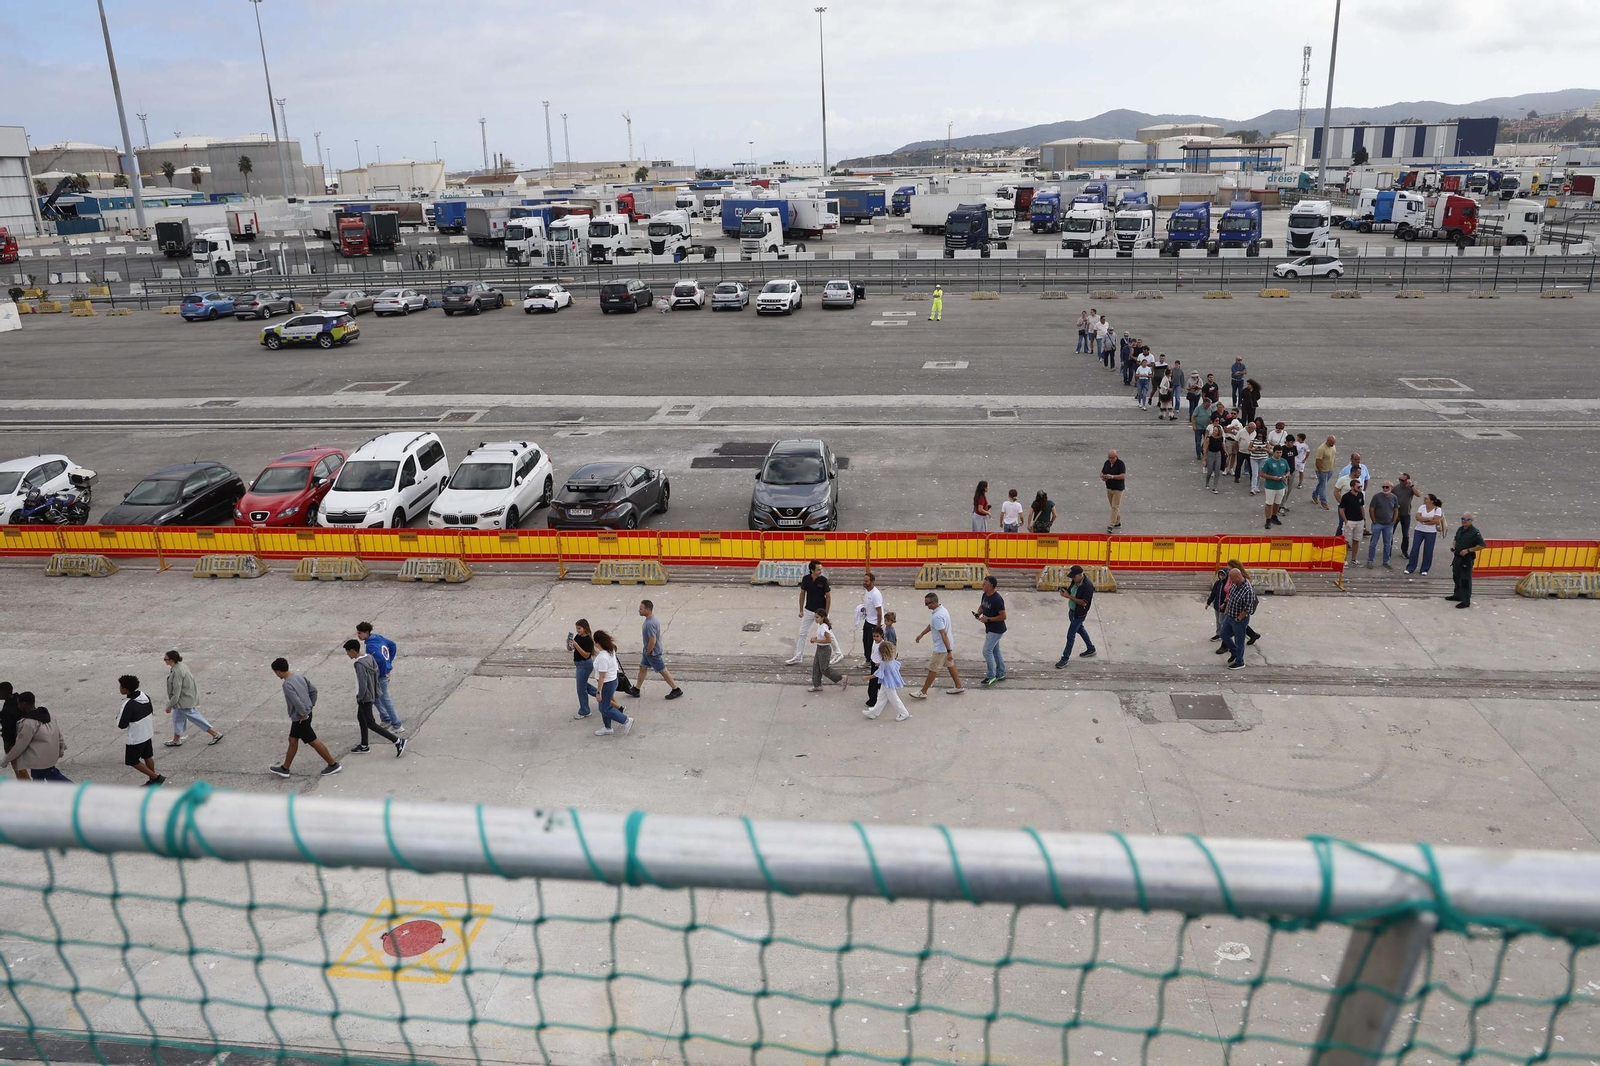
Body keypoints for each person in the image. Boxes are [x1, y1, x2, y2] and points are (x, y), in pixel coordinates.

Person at [268, 658, 341, 778]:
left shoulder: (287, 684)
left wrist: (303, 714)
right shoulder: (299, 676)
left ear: (278, 671)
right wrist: (310, 706)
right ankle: (285, 768)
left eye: (275, 672)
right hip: (305, 714)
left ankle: (333, 764)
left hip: (300, 718)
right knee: (292, 740)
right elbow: (314, 691)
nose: (276, 675)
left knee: (313, 741)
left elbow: (296, 701)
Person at [344, 639, 405, 756]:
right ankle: (364, 745)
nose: (348, 655)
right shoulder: (369, 657)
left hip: (364, 697)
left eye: (348, 652)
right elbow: (376, 673)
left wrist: (360, 697)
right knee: (361, 718)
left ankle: (397, 741)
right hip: (371, 693)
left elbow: (362, 683)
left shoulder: (359, 664)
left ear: (352, 651)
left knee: (370, 723)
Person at [0, 692, 69, 782]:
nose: (18, 706)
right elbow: (58, 733)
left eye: (19, 704)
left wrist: (5, 760)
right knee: (40, 779)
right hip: (49, 756)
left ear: (23, 704)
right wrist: (61, 748)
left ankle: (74, 788)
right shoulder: (49, 715)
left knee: (53, 777)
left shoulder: (28, 723)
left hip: (39, 760)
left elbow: (20, 746)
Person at [162, 650, 223, 748]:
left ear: (171, 660)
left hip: (183, 701)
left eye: (165, 659)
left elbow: (176, 692)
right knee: (177, 719)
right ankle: (176, 740)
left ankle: (215, 734)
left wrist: (169, 705)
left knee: (195, 717)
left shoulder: (177, 672)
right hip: (186, 698)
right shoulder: (181, 666)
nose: (164, 660)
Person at [910, 593, 963, 699]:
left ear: (934, 603)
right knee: (950, 665)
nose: (926, 606)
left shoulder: (937, 616)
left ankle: (923, 692)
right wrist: (922, 634)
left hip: (941, 648)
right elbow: (932, 625)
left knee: (933, 669)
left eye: (927, 603)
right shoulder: (943, 610)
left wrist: (949, 651)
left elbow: (943, 634)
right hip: (947, 645)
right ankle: (958, 686)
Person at [631, 599, 684, 700]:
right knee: (643, 667)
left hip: (652, 652)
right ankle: (636, 689)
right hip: (648, 651)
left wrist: (648, 651)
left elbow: (652, 640)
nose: (639, 610)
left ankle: (676, 689)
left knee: (662, 670)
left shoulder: (650, 623)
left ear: (647, 610)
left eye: (641, 609)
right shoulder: (652, 620)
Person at [117, 674, 164, 787]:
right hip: (147, 732)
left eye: (121, 686)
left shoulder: (128, 704)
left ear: (126, 689)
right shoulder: (145, 696)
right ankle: (152, 781)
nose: (119, 688)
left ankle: (155, 778)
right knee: (147, 756)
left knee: (132, 761)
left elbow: (122, 725)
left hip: (136, 737)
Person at [357, 621, 402, 732]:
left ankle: (396, 724)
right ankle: (386, 718)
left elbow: (379, 660)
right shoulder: (378, 638)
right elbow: (392, 645)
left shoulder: (371, 646)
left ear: (366, 632)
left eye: (360, 633)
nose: (358, 635)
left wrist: (384, 670)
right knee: (376, 698)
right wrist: (389, 662)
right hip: (383, 674)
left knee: (385, 699)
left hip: (380, 676)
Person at [787, 561, 831, 665]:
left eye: (821, 569)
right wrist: (801, 610)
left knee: (827, 633)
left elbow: (828, 597)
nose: (820, 571)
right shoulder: (806, 579)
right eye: (818, 569)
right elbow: (802, 594)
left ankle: (838, 653)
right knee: (802, 633)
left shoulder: (823, 580)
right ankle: (798, 656)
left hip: (820, 612)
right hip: (808, 610)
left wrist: (826, 613)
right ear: (812, 570)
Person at [590, 630, 631, 736]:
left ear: (598, 642)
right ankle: (607, 727)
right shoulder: (611, 650)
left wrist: (599, 692)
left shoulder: (603, 657)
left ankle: (626, 720)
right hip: (613, 681)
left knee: (604, 708)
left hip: (607, 684)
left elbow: (602, 676)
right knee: (604, 705)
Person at [1054, 565, 1097, 666]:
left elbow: (1084, 603)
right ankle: (1091, 648)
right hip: (1072, 612)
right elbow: (1071, 591)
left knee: (1070, 635)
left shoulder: (1087, 586)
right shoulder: (1075, 581)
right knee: (1080, 629)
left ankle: (1065, 658)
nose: (1072, 579)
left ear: (1080, 575)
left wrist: (1069, 596)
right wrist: (1065, 592)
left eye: (1074, 576)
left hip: (1079, 614)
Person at [1220, 566, 1257, 669]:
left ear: (1238, 577)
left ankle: (1240, 662)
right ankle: (1234, 652)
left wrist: (1239, 619)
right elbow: (1231, 597)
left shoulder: (1248, 590)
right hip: (1230, 615)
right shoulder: (1235, 584)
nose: (1230, 580)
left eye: (1232, 578)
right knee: (1223, 634)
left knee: (1239, 641)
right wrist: (1227, 610)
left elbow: (1247, 608)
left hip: (1239, 619)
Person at [864, 641, 911, 722]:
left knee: (894, 699)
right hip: (888, 682)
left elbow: (878, 674)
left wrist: (867, 677)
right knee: (881, 697)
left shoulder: (884, 663)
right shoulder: (891, 659)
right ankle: (874, 712)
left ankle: (904, 713)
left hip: (887, 683)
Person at [1448, 512, 1486, 609]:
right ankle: (1457, 595)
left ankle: (1465, 601)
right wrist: (1453, 546)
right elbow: (1455, 539)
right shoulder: (1460, 529)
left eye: (1466, 519)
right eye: (1462, 519)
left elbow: (1482, 545)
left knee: (1465, 580)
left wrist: (1468, 550)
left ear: (1471, 521)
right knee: (1456, 576)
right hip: (1457, 557)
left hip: (1466, 559)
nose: (1463, 521)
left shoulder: (1474, 532)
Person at [975, 576, 1007, 685]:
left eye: (984, 584)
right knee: (995, 650)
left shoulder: (997, 599)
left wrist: (988, 619)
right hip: (990, 628)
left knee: (987, 651)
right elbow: (982, 606)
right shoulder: (985, 595)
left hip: (996, 630)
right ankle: (1000, 673)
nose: (982, 586)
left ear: (991, 586)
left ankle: (991, 675)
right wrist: (978, 613)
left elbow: (1003, 616)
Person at [807, 609, 848, 692]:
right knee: (816, 666)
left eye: (817, 617)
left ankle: (841, 678)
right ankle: (817, 685)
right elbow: (821, 637)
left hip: (824, 649)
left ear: (822, 617)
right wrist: (815, 638)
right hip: (820, 648)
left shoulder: (824, 627)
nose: (815, 619)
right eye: (815, 617)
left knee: (824, 668)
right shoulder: (820, 625)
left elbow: (828, 640)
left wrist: (816, 640)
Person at [1407, 494, 1444, 577]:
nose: (1424, 500)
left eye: (1426, 499)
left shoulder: (1437, 509)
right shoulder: (1422, 507)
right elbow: (1417, 517)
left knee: (1428, 550)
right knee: (1415, 549)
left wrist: (1423, 521)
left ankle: (1425, 569)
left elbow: (1435, 521)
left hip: (1431, 532)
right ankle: (1410, 567)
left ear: (1432, 501)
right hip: (1419, 530)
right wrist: (1429, 519)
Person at [1366, 481, 1401, 568]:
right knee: (1373, 543)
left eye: (1387, 487)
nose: (1385, 489)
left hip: (1388, 524)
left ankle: (1386, 561)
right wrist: (1374, 521)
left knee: (1388, 544)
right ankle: (1370, 560)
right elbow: (1371, 509)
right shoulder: (1377, 497)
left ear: (1391, 488)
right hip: (1378, 524)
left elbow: (1396, 510)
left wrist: (1394, 520)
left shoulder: (1394, 498)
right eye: (1383, 487)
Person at [569, 620, 597, 719]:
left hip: (584, 665)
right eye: (577, 628)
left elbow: (586, 655)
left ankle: (585, 710)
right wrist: (569, 644)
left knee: (581, 688)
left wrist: (576, 646)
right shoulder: (578, 636)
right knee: (583, 685)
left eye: (579, 628)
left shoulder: (588, 640)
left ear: (585, 628)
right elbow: (571, 649)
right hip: (579, 664)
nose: (577, 630)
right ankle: (603, 695)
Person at [856, 572, 885, 662]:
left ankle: (874, 661)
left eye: (866, 581)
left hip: (874, 623)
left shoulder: (875, 594)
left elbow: (879, 611)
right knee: (865, 641)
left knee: (871, 644)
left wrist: (878, 627)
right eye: (864, 581)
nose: (864, 583)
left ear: (872, 582)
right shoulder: (867, 591)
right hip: (868, 621)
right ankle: (868, 659)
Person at [1260, 445, 1290, 528]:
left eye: (1280, 452)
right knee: (1269, 503)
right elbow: (1262, 474)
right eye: (1277, 452)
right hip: (1270, 487)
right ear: (1273, 452)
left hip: (1281, 486)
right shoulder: (1268, 462)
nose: (1279, 454)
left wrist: (1285, 476)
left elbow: (1288, 471)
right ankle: (1268, 520)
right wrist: (1272, 477)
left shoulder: (1284, 461)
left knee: (1277, 503)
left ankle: (1274, 516)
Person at [1339, 478, 1367, 562]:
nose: (1360, 488)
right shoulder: (1346, 497)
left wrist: (1364, 519)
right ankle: (1344, 560)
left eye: (1360, 486)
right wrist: (1345, 520)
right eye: (1358, 487)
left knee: (1356, 540)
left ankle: (1353, 559)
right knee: (1346, 541)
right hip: (1350, 521)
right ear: (1352, 487)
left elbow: (1361, 506)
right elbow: (1341, 509)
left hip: (1359, 521)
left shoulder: (1360, 494)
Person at [2, 681, 25, 781]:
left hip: (12, 742)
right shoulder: (16, 701)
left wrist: (9, 744)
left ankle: (26, 786)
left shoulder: (8, 709)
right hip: (18, 739)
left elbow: (9, 727)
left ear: (5, 692)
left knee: (19, 768)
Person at [1394, 473, 1419, 559]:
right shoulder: (1396, 488)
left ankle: (1404, 551)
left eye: (1402, 480)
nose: (1400, 482)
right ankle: (1388, 549)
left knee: (1405, 534)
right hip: (1396, 513)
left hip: (1406, 513)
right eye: (1400, 479)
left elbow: (1418, 494)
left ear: (1407, 480)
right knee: (1391, 532)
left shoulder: (1410, 489)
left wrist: (1412, 486)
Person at [1100, 450, 1126, 532]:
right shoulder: (1107, 463)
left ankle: (1111, 524)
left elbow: (1123, 476)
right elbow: (1102, 472)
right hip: (1109, 488)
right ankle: (1117, 521)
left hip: (1118, 489)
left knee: (1115, 507)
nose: (1110, 460)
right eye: (1109, 458)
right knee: (1113, 506)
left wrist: (1112, 477)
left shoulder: (1120, 464)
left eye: (1112, 458)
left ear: (1116, 457)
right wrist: (1103, 476)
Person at [1203, 565, 1230, 643]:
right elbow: (1213, 594)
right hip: (1217, 606)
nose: (1221, 577)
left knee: (1222, 621)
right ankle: (1218, 634)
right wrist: (1208, 602)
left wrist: (1225, 603)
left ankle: (1225, 634)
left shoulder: (1227, 585)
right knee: (1218, 621)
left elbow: (1228, 596)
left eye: (1223, 575)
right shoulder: (1217, 583)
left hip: (1223, 607)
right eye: (1220, 575)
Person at [1311, 435, 1338, 509]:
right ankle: (1323, 502)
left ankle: (1314, 495)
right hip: (1322, 471)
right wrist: (1320, 471)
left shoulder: (1333, 446)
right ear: (1328, 441)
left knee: (1322, 484)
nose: (1333, 444)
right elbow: (1318, 461)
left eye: (1334, 443)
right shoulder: (1321, 449)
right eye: (1332, 443)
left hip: (1330, 470)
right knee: (1323, 486)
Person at [1203, 413, 1227, 492]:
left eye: (1216, 431)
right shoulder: (1209, 438)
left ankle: (1215, 487)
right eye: (1214, 430)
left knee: (1217, 471)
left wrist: (1226, 453)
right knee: (1209, 471)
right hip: (1211, 454)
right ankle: (1207, 483)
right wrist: (1204, 458)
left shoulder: (1221, 438)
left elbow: (1223, 445)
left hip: (1218, 454)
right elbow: (1206, 448)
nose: (1214, 432)